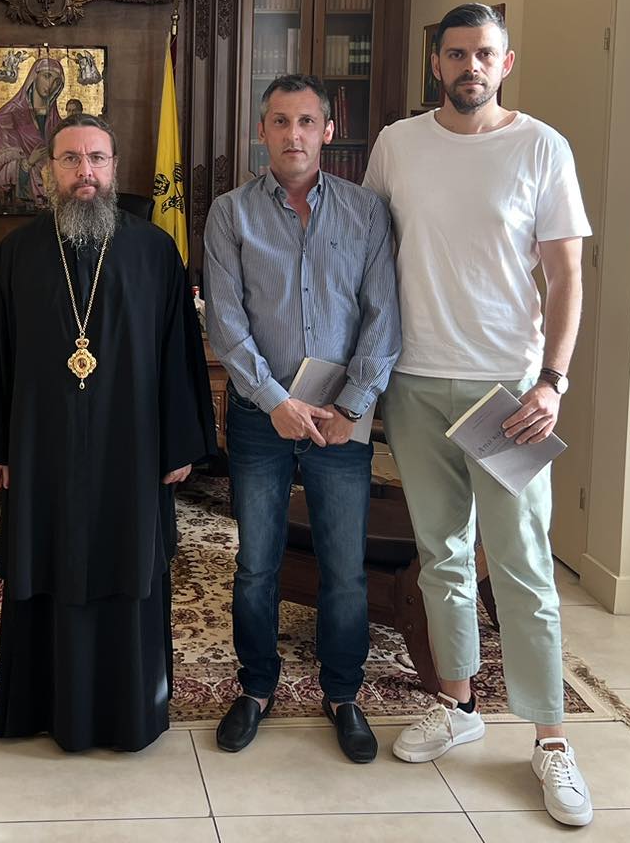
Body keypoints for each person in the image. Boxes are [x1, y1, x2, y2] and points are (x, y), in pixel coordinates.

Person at [364, 2, 594, 827]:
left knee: (523, 564)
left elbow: (566, 278)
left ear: (506, 62)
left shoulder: (541, 147)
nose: (470, 66)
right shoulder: (397, 145)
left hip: (508, 390)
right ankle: (457, 705)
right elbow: (368, 253)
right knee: (442, 554)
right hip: (417, 381)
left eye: (484, 54)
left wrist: (552, 381)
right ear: (437, 62)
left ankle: (551, 739)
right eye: (456, 53)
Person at [0, 113, 217, 752]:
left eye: (97, 158)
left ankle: (130, 712)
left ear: (115, 168)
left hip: (134, 452)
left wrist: (180, 444)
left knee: (129, 561)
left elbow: (179, 355)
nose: (84, 172)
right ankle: (42, 708)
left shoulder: (155, 251)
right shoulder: (17, 254)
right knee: (46, 559)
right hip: (41, 450)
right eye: (70, 159)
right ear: (49, 172)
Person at [203, 74, 400, 763]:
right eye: (281, 122)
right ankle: (256, 687)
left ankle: (343, 694)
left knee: (344, 569)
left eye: (307, 121)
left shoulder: (366, 212)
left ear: (326, 131)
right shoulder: (230, 213)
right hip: (260, 417)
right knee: (255, 565)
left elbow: (383, 315)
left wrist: (353, 406)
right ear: (262, 131)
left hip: (341, 421)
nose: (294, 134)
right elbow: (226, 322)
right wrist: (274, 400)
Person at [0, 54, 65, 208]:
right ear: (34, 77)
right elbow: (1, 172)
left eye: (56, 81)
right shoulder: (5, 118)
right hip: (20, 203)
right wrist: (29, 162)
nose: (50, 84)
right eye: (47, 76)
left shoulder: (59, 124)